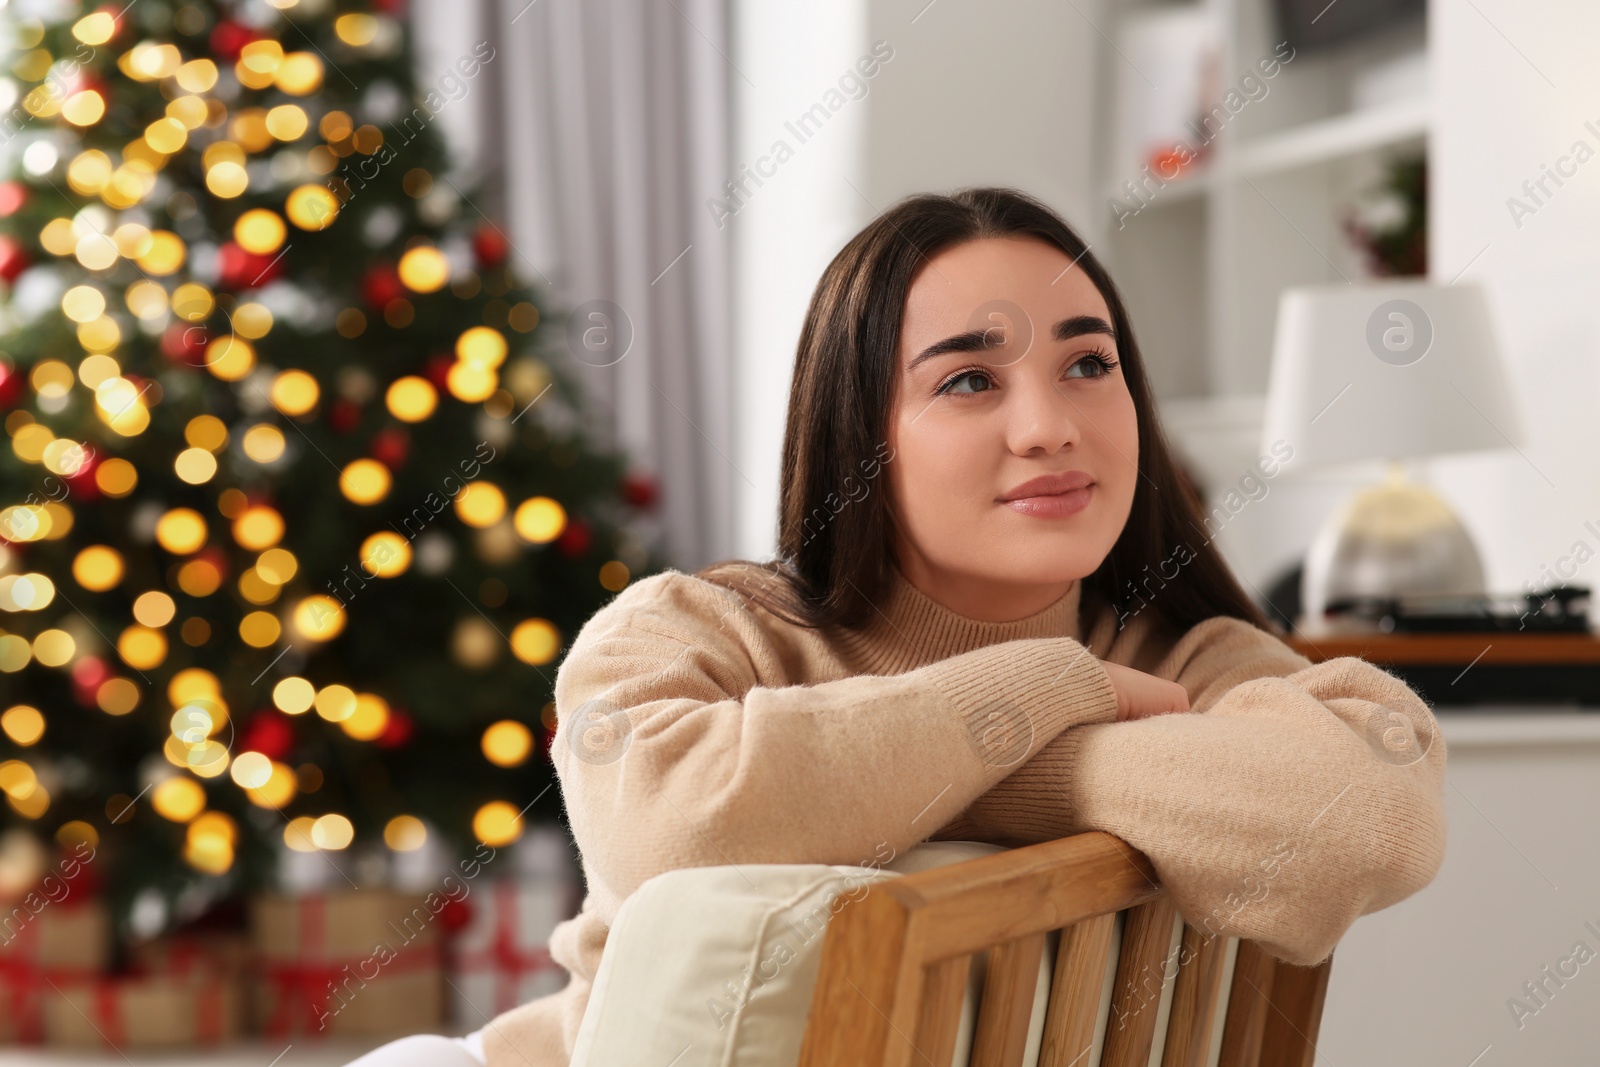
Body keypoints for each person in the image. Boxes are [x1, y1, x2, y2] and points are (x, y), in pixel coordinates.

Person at [350, 187, 1447, 1067]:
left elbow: (1371, 821)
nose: (1048, 426)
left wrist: (1032, 748)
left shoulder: (1182, 655)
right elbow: (669, 834)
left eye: (1087, 362)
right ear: (855, 436)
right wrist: (1042, 698)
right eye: (969, 379)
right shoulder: (698, 629)